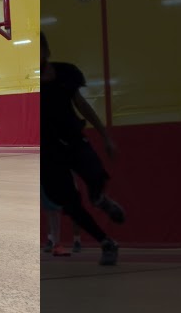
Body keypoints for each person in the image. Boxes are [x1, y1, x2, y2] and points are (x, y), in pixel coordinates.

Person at [40, 31, 124, 265]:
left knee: (96, 175)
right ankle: (106, 242)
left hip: (74, 141)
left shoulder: (66, 73)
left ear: (46, 51)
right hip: (49, 154)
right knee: (71, 205)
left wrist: (106, 136)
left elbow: (82, 106)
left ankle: (99, 199)